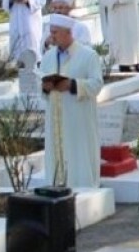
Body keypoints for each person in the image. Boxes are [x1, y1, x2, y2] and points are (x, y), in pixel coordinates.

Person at [39, 14, 104, 189]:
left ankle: (84, 188)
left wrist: (72, 84)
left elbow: (97, 84)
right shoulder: (48, 57)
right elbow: (42, 88)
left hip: (78, 118)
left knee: (79, 153)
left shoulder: (88, 55)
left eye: (55, 32)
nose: (51, 37)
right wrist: (45, 87)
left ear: (67, 33)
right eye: (51, 32)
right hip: (56, 117)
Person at [3, 0, 47, 64]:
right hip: (16, 21)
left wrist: (28, 1)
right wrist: (12, 1)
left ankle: (36, 61)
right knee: (16, 42)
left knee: (32, 41)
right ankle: (17, 62)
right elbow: (5, 3)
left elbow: (42, 0)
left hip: (31, 21)